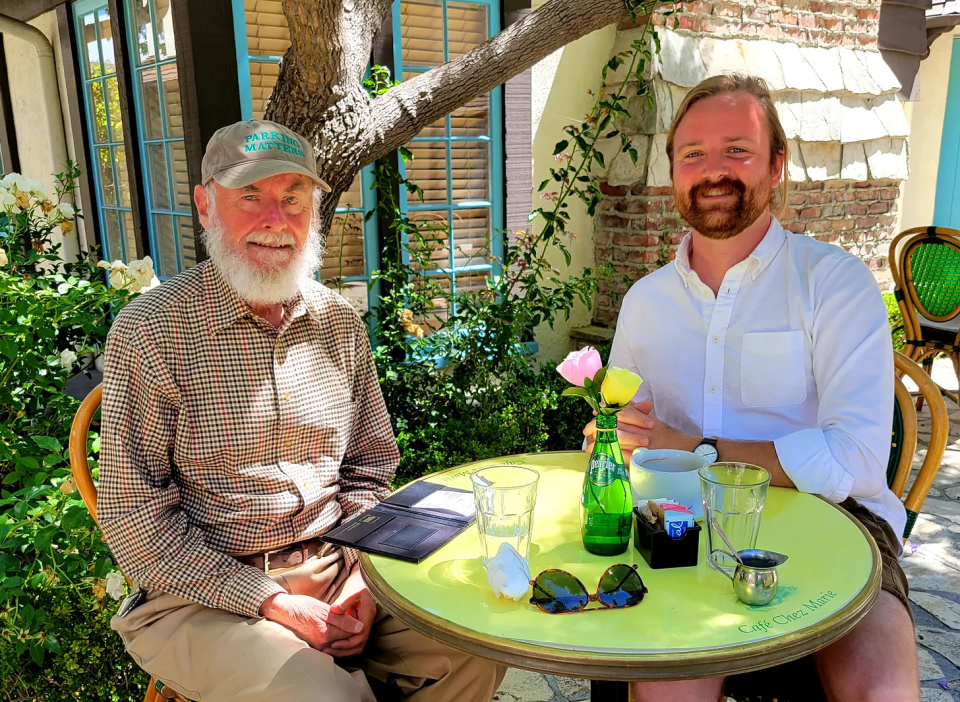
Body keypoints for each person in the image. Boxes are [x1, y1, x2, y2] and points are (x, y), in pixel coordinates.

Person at [98, 119, 504, 702]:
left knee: (469, 647)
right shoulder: (154, 331)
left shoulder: (338, 322)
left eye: (293, 198)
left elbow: (369, 469)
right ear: (206, 207)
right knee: (324, 697)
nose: (276, 219)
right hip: (200, 593)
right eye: (251, 197)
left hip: (337, 565)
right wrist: (273, 604)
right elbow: (136, 519)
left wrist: (366, 574)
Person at [584, 75, 918, 702]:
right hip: (677, 522)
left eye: (737, 148)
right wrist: (613, 440)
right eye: (693, 154)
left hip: (835, 518)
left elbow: (860, 460)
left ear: (777, 166)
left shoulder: (833, 283)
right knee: (667, 692)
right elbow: (631, 437)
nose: (713, 170)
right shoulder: (644, 302)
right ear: (673, 172)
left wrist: (695, 449)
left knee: (880, 695)